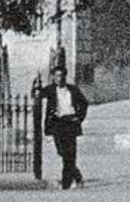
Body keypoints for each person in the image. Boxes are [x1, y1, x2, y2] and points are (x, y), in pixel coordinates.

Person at [38, 55, 91, 190]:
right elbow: (38, 94)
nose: (59, 78)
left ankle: (66, 182)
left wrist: (79, 117)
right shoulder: (50, 90)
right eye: (57, 76)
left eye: (62, 75)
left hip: (70, 122)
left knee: (70, 153)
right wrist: (36, 86)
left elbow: (84, 103)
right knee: (62, 152)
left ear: (65, 76)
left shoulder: (73, 89)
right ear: (54, 77)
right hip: (57, 123)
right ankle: (77, 176)